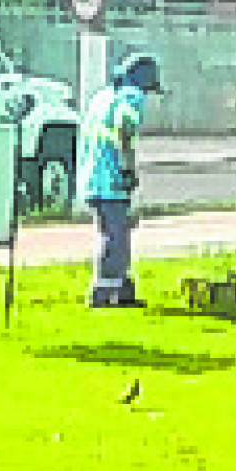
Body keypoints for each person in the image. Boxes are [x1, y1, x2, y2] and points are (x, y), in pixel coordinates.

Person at [81, 54, 165, 308]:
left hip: (91, 177)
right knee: (116, 235)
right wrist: (128, 169)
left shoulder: (102, 96)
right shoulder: (131, 98)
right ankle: (103, 292)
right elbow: (124, 129)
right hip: (112, 178)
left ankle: (123, 288)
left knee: (115, 231)